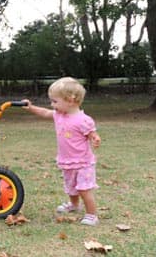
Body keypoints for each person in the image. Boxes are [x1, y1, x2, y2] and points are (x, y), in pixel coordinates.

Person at [22, 77, 101, 226]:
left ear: (70, 100)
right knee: (71, 187)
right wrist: (31, 108)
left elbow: (92, 134)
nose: (52, 105)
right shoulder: (58, 115)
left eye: (55, 101)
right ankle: (74, 205)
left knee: (84, 189)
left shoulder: (83, 120)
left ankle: (92, 215)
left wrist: (95, 138)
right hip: (67, 161)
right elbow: (45, 112)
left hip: (83, 163)